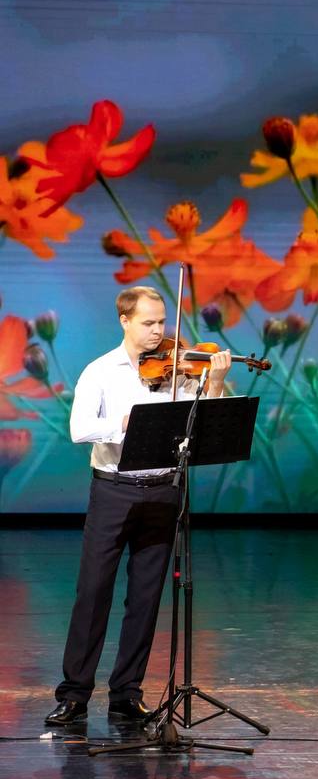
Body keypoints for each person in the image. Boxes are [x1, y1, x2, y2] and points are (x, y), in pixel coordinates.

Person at [46, 287, 231, 727]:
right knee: (93, 593)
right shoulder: (100, 371)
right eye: (148, 323)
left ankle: (126, 693)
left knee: (146, 598)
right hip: (114, 489)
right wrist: (125, 423)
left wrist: (217, 382)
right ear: (124, 320)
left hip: (165, 490)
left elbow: (207, 424)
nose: (158, 332)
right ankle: (74, 694)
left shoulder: (180, 369)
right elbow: (79, 428)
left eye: (162, 322)